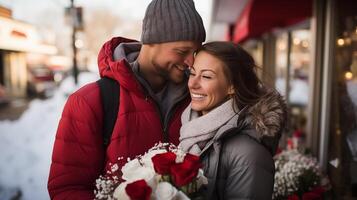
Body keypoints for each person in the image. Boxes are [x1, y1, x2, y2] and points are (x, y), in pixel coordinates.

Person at [47, 0, 206, 199]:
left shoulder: (198, 99)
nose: (191, 62)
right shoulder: (89, 101)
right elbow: (67, 189)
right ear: (151, 41)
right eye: (182, 52)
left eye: (195, 53)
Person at [179, 41, 287, 199]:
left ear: (232, 87)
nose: (192, 84)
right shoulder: (189, 128)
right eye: (193, 73)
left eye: (206, 76)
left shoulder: (249, 154)